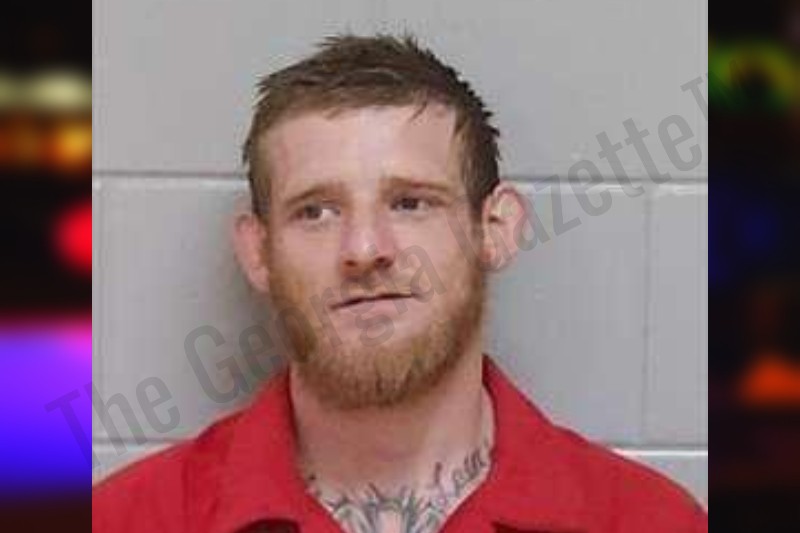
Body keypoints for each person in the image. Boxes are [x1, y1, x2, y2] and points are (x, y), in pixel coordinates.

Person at [93, 34, 708, 533]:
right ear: (258, 252)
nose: (365, 251)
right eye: (316, 211)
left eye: (411, 203)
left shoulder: (649, 522)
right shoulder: (126, 520)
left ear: (495, 229)